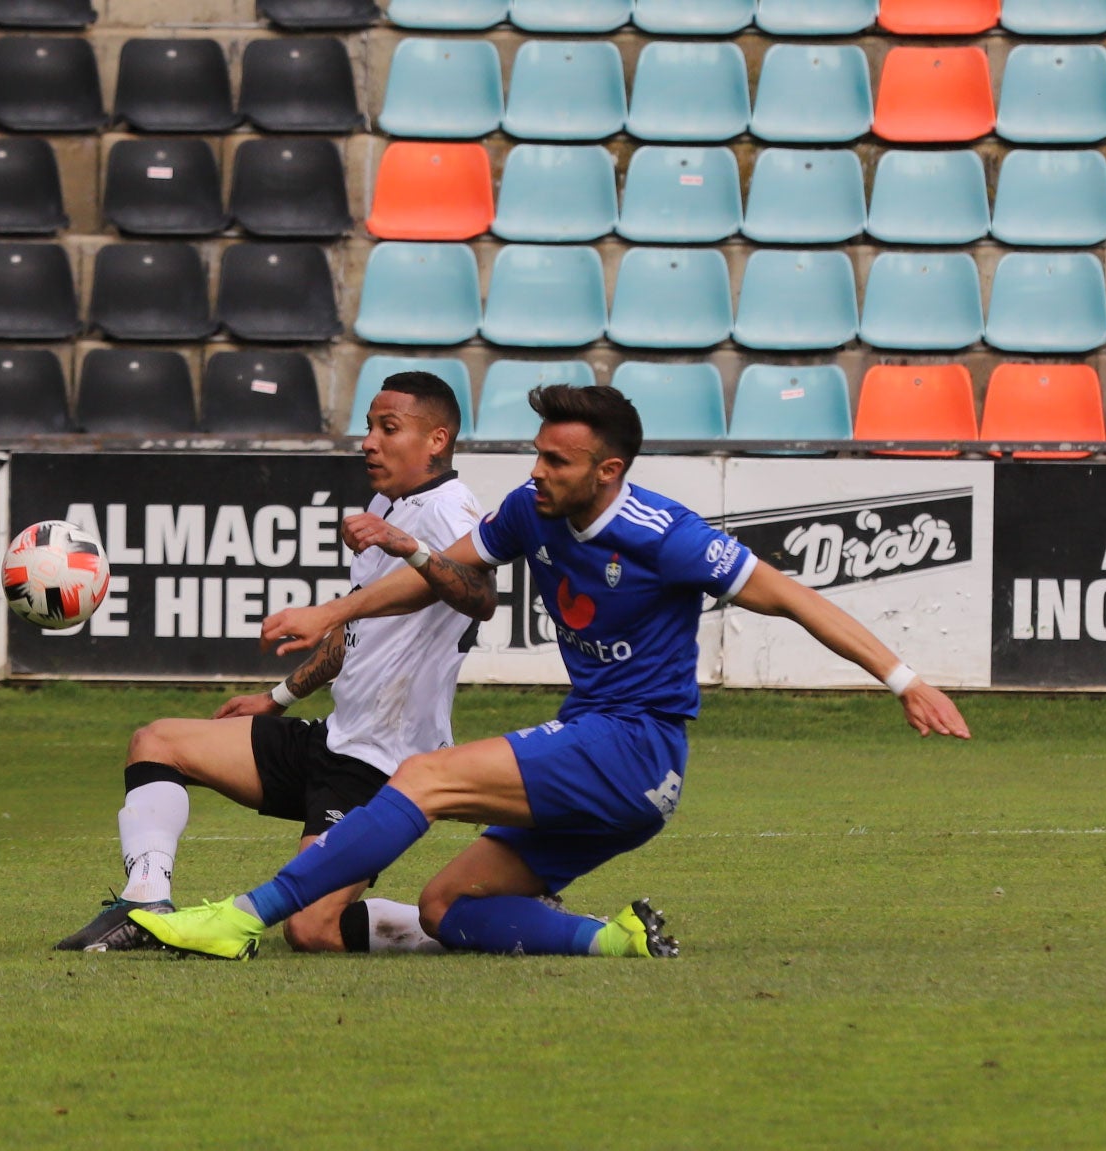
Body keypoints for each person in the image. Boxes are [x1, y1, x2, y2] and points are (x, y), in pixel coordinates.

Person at [129, 383, 973, 961]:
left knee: (425, 777)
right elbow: (440, 571)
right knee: (444, 909)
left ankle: (238, 918)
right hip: (613, 770)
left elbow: (793, 597)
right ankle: (616, 940)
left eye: (557, 461)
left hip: (633, 746)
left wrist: (905, 679)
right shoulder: (531, 512)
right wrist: (331, 614)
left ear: (607, 471)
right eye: (537, 455)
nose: (537, 472)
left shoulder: (662, 533)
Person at [54, 372, 488, 954]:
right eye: (368, 428)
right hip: (332, 741)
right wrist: (278, 698)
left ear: (437, 440)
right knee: (157, 741)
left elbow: (479, 595)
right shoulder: (389, 502)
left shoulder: (450, 509)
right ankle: (145, 903)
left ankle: (481, 923)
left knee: (311, 929)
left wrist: (405, 544)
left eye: (389, 429)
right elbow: (360, 632)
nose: (369, 443)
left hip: (382, 771)